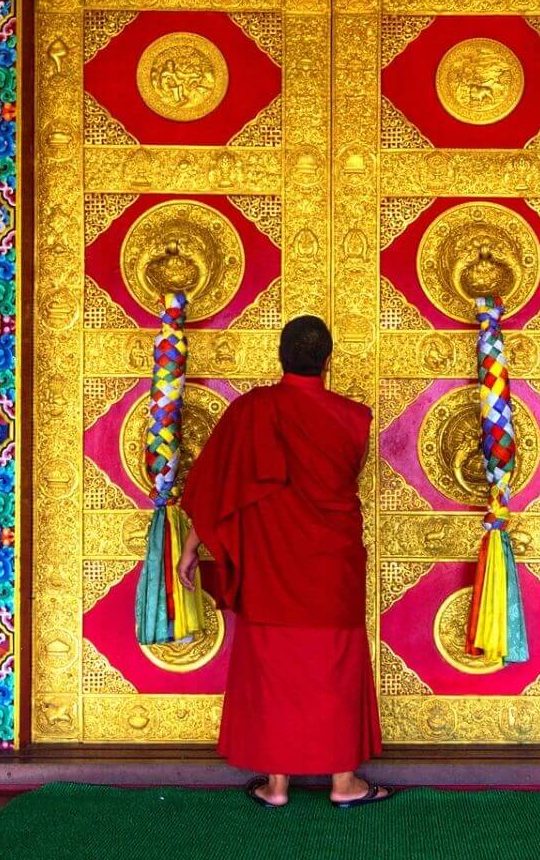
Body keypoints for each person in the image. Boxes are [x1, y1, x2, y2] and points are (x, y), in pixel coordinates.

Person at [176, 315, 391, 809]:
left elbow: (217, 489)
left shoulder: (252, 410)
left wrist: (191, 548)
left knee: (274, 666)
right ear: (328, 360)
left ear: (280, 354)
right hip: (331, 564)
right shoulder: (352, 418)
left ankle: (276, 787)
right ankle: (344, 784)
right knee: (335, 666)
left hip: (272, 563)